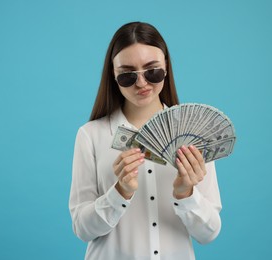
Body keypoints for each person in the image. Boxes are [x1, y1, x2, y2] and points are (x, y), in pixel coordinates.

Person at [69, 22, 222, 260]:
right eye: (128, 75)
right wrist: (120, 192)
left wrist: (186, 193)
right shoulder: (91, 135)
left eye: (152, 71)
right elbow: (82, 228)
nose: (142, 83)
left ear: (167, 67)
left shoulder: (193, 135)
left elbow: (209, 234)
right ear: (114, 74)